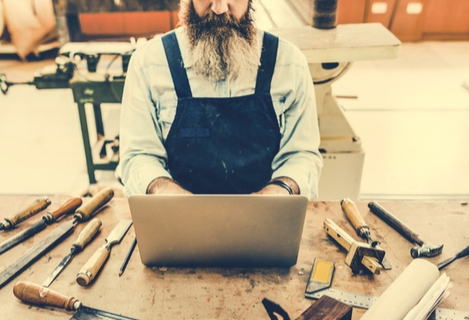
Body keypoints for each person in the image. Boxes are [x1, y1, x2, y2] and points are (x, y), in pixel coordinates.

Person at [118, 0, 323, 198]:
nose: (219, 9)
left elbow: (301, 155)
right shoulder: (149, 64)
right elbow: (138, 156)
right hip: (178, 221)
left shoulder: (289, 65)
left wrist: (279, 192)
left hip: (265, 221)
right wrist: (169, 195)